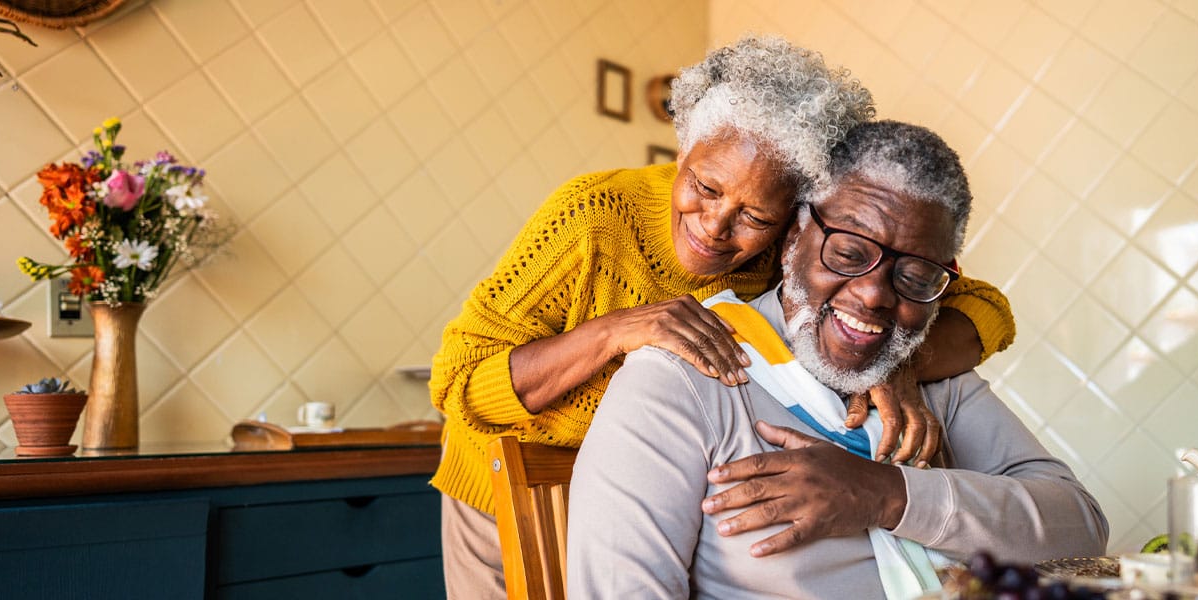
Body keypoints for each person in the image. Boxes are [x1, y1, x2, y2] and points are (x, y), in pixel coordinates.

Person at [429, 38, 1017, 597]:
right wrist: (615, 331)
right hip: (504, 491)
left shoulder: (791, 254)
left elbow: (983, 308)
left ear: (795, 224)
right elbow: (458, 383)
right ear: (682, 151)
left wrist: (893, 363)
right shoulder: (591, 217)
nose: (714, 226)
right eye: (705, 187)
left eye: (755, 217)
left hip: (649, 491)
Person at [566, 120, 1108, 599]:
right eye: (848, 253)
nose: (874, 295)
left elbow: (1080, 526)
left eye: (916, 275)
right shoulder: (678, 382)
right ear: (793, 239)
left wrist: (886, 494)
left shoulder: (924, 377)